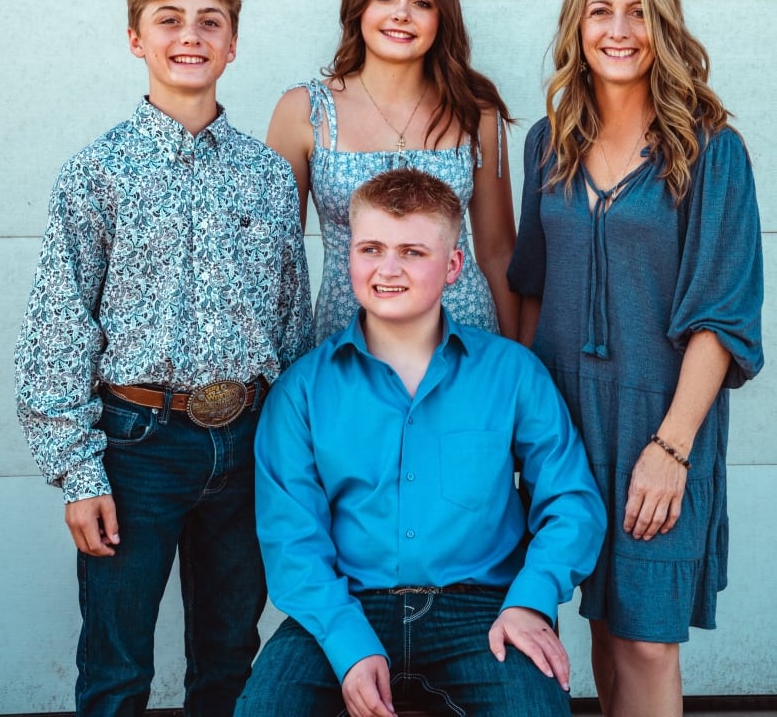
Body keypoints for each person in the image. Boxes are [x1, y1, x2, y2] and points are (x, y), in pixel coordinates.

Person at [14, 0, 313, 717]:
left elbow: (290, 317)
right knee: (116, 662)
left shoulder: (266, 175)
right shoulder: (97, 173)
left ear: (233, 43)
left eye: (209, 21)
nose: (191, 36)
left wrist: (293, 451)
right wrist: (79, 472)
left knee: (228, 654)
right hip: (136, 444)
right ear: (135, 38)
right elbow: (58, 324)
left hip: (245, 441)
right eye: (169, 19)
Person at [234, 168, 607, 717]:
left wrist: (532, 599)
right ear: (349, 258)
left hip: (482, 611)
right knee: (265, 709)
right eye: (372, 248)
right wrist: (348, 643)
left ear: (453, 266)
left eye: (412, 252)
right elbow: (293, 539)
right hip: (343, 609)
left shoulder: (512, 373)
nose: (389, 268)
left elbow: (572, 501)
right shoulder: (303, 390)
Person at [507, 0, 763, 717]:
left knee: (648, 638)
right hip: (563, 416)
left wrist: (673, 446)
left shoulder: (711, 151)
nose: (620, 29)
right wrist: (515, 427)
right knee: (603, 623)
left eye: (638, 12)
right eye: (601, 11)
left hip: (661, 416)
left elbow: (721, 316)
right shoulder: (547, 146)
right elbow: (529, 287)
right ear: (577, 28)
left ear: (664, 25)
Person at [266, 0, 520, 342]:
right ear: (359, 6)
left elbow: (497, 250)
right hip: (346, 339)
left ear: (442, 18)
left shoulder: (476, 112)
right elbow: (278, 258)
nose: (402, 14)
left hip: (465, 339)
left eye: (422, 2)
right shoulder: (304, 111)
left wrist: (518, 363)